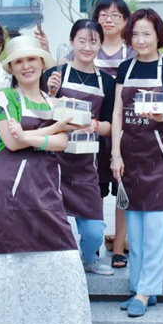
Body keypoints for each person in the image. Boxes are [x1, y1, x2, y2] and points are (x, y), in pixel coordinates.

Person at [0, 36, 95, 324]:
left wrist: (30, 136)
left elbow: (62, 143)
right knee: (14, 268)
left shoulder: (54, 100)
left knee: (63, 262)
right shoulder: (4, 98)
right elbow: (11, 143)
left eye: (32, 60)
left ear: (42, 64)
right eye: (19, 61)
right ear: (11, 68)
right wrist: (48, 132)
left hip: (45, 190)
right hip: (8, 191)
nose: (26, 66)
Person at [110, 9, 163, 317]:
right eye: (135, 34)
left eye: (147, 34)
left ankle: (144, 293)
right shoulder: (125, 68)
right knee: (136, 230)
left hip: (161, 158)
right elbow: (117, 114)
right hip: (130, 157)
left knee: (156, 230)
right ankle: (141, 287)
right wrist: (115, 155)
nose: (140, 40)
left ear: (158, 35)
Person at [46, 19, 116, 276]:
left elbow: (110, 125)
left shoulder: (106, 82)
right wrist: (51, 94)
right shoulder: (54, 75)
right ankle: (58, 269)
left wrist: (94, 125)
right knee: (52, 224)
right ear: (72, 42)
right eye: (82, 41)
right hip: (53, 162)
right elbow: (39, 116)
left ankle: (88, 259)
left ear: (101, 44)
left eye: (93, 42)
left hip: (86, 164)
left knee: (94, 231)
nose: (87, 47)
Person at [92, 0, 136, 268]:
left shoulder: (132, 51)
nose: (109, 20)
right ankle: (95, 246)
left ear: (125, 20)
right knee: (94, 190)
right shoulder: (88, 47)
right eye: (103, 15)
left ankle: (119, 246)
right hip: (92, 129)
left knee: (123, 190)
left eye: (115, 15)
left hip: (126, 130)